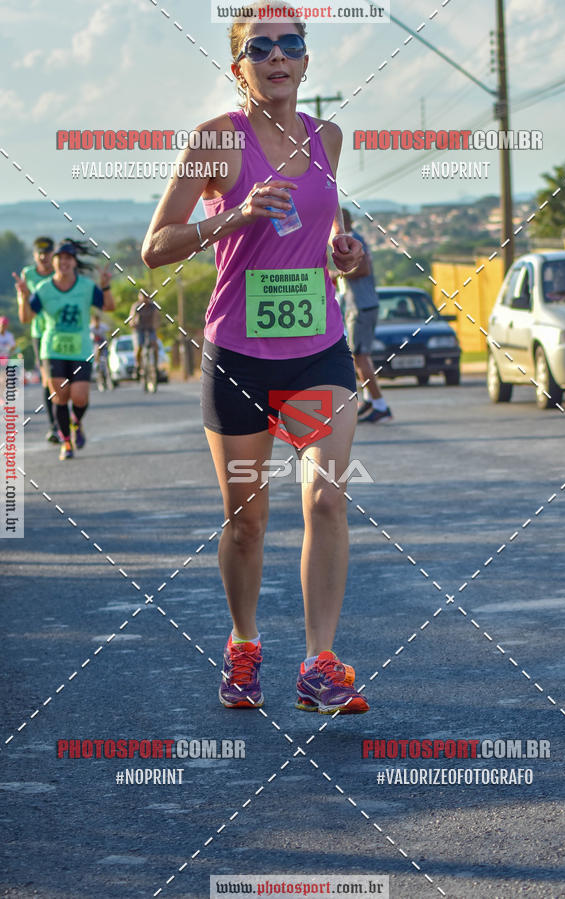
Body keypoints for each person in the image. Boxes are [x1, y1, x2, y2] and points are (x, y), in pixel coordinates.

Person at [142, 1, 369, 715]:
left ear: (306, 61)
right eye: (260, 47)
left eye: (290, 44)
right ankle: (244, 644)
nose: (277, 56)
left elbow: (328, 229)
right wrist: (233, 216)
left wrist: (346, 254)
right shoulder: (217, 141)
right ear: (237, 66)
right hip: (239, 354)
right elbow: (156, 247)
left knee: (327, 496)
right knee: (247, 520)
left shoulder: (327, 137)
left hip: (318, 351)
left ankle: (320, 662)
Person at [14, 241, 115, 460]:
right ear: (55, 262)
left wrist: (105, 286)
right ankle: (66, 442)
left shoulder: (86, 287)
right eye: (60, 258)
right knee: (60, 396)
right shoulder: (44, 289)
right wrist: (23, 296)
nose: (64, 262)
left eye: (68, 258)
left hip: (80, 349)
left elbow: (108, 306)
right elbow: (26, 318)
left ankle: (76, 422)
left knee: (79, 397)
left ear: (74, 263)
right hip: (53, 349)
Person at [340, 208, 391, 423]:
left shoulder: (349, 239)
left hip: (360, 306)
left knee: (360, 357)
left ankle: (380, 405)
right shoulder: (355, 238)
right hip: (364, 304)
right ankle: (370, 400)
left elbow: (364, 269)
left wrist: (336, 273)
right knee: (361, 357)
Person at [19, 237, 58, 442]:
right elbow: (25, 317)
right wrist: (24, 297)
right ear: (34, 255)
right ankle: (54, 426)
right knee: (48, 380)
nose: (44, 257)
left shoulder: (61, 271)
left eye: (47, 253)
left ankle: (70, 418)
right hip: (41, 334)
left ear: (53, 254)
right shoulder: (28, 275)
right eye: (39, 253)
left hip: (64, 331)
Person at [129, 290, 158, 378]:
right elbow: (132, 317)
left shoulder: (153, 306)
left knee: (155, 346)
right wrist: (132, 323)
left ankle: (155, 367)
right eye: (143, 296)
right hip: (139, 329)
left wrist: (157, 325)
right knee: (139, 347)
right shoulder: (136, 306)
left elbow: (157, 317)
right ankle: (138, 366)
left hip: (150, 328)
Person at [90, 312, 112, 390]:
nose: (97, 323)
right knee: (97, 349)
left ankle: (108, 376)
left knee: (106, 360)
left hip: (104, 344)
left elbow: (110, 331)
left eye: (98, 321)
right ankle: (97, 365)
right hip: (96, 346)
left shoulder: (103, 327)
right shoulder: (91, 328)